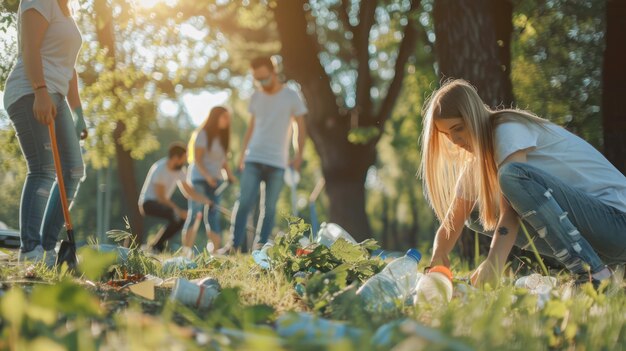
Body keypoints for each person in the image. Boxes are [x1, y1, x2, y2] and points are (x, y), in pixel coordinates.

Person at [421, 79, 626, 287]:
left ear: (473, 116)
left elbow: (510, 210)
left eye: (458, 128)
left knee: (512, 176)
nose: (454, 140)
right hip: (604, 239)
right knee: (474, 215)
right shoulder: (478, 160)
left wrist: (493, 263)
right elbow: (453, 219)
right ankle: (601, 267)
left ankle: (590, 274)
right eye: (447, 134)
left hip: (619, 223)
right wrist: (438, 257)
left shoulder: (507, 129)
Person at [4, 0, 88, 266]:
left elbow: (69, 68)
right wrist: (40, 91)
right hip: (30, 90)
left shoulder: (66, 10)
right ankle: (30, 249)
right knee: (43, 169)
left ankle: (48, 248)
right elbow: (31, 48)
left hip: (57, 94)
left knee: (74, 170)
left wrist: (78, 112)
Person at [230, 56, 308, 252]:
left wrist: (298, 154)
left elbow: (300, 127)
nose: (261, 83)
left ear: (273, 73)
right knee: (244, 201)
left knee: (269, 208)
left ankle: (260, 247)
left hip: (277, 162)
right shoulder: (256, 97)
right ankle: (233, 245)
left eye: (264, 78)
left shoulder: (291, 96)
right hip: (253, 157)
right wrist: (242, 154)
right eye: (257, 79)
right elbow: (251, 127)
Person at [180, 106, 236, 255]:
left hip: (215, 181)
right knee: (196, 212)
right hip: (199, 179)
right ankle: (187, 251)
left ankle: (215, 252)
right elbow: (197, 159)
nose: (227, 121)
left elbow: (222, 161)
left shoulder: (222, 138)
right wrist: (207, 176)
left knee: (213, 215)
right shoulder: (203, 134)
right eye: (225, 117)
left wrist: (229, 175)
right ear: (215, 117)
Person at [139, 143, 212, 253]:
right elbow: (161, 198)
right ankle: (156, 247)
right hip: (148, 204)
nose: (185, 161)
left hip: (161, 203)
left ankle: (156, 246)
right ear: (175, 158)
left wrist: (205, 200)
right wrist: (177, 210)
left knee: (180, 218)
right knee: (176, 215)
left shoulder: (179, 171)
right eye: (184, 158)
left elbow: (189, 192)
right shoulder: (160, 168)